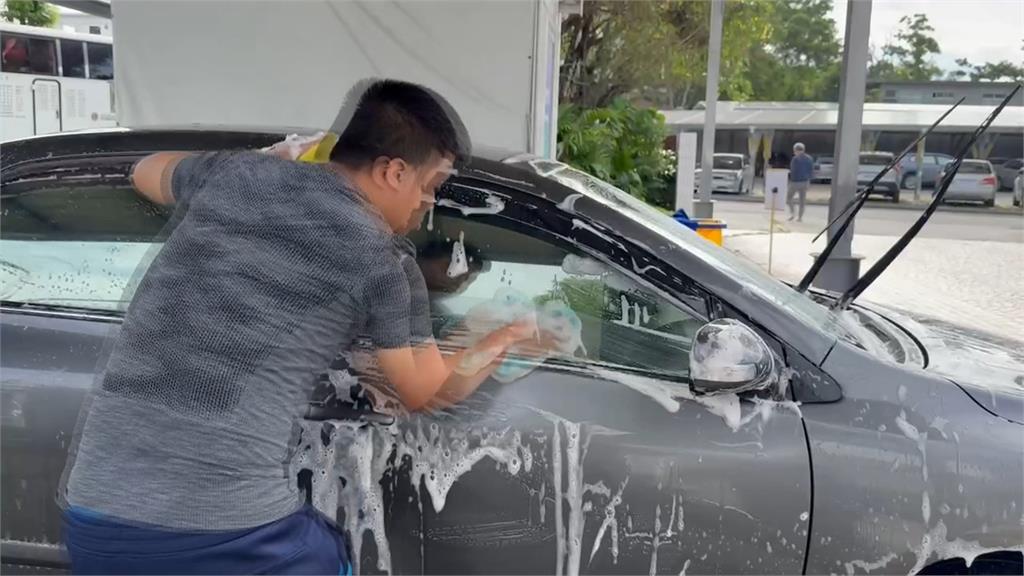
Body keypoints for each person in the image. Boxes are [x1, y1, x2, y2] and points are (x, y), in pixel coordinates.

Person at [58, 79, 540, 574]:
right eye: (431, 186)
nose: (427, 205)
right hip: (224, 532)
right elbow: (426, 390)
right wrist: (511, 336)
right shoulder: (382, 261)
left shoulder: (240, 174)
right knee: (329, 557)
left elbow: (145, 171)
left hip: (94, 519)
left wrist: (269, 156)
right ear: (393, 172)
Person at [788, 142, 814, 222]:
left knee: (789, 197)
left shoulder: (795, 159)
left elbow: (793, 170)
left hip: (795, 182)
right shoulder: (809, 158)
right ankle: (800, 217)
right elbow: (811, 170)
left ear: (796, 150)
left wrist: (790, 179)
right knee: (802, 200)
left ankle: (793, 213)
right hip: (805, 182)